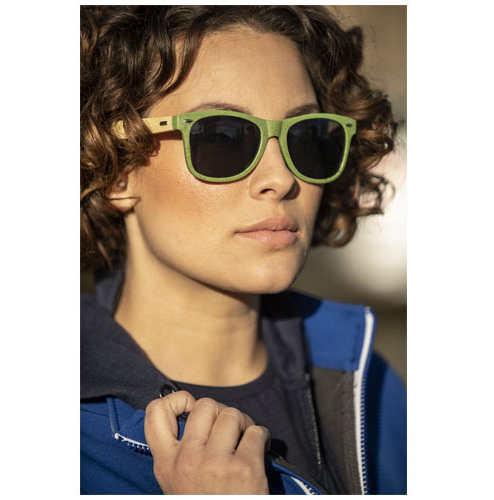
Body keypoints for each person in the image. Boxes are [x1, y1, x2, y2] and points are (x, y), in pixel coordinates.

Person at [80, 5, 406, 495]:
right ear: (116, 169)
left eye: (306, 136)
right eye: (222, 137)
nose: (281, 178)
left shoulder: (366, 382)